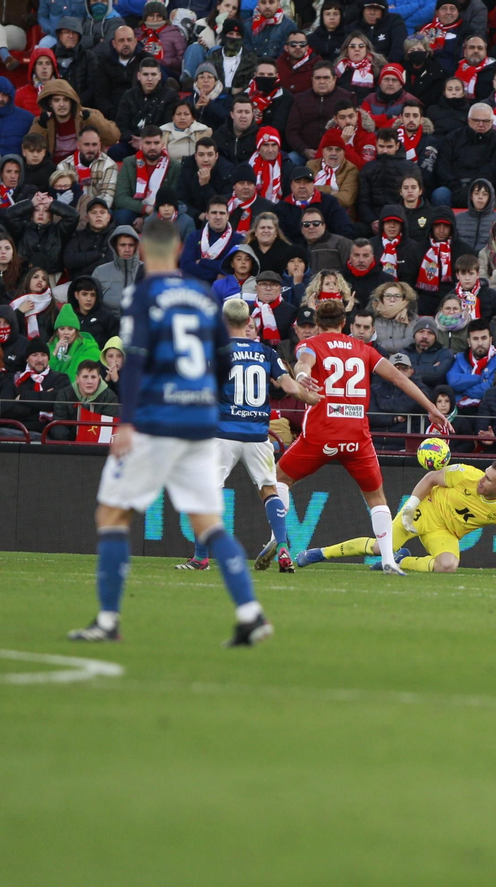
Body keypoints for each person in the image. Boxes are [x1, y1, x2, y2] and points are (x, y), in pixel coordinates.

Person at [70, 218, 272, 647]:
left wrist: (125, 421)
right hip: (200, 423)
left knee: (111, 515)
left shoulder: (141, 294)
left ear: (143, 251)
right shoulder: (202, 296)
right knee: (209, 522)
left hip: (157, 421)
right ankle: (250, 613)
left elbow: (136, 357)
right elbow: (223, 362)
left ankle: (107, 620)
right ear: (180, 248)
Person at [276, 298, 451, 575]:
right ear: (344, 323)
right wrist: (431, 408)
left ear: (318, 324)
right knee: (377, 499)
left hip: (322, 434)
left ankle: (276, 537)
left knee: (279, 480)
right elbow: (400, 379)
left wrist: (301, 375)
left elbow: (304, 363)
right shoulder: (363, 349)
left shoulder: (311, 344)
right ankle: (389, 561)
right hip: (356, 437)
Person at [175, 296, 322, 575]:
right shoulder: (266, 352)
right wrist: (309, 397)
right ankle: (282, 547)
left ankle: (201, 558)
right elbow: (290, 386)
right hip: (257, 435)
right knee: (269, 490)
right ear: (248, 323)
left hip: (223, 433)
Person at [299, 459, 496, 574]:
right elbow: (431, 477)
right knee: (379, 549)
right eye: (485, 474)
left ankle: (401, 561)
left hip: (445, 532)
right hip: (424, 511)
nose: (482, 479)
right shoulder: (466, 474)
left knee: (448, 566)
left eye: (489, 480)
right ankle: (318, 553)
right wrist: (411, 505)